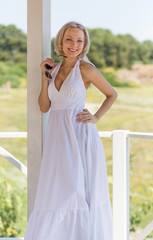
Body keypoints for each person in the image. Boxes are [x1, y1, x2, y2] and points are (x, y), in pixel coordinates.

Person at [24, 21, 117, 240]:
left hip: (80, 136)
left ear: (84, 45)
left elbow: (111, 94)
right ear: (61, 41)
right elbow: (44, 107)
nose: (73, 45)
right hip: (58, 139)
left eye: (79, 41)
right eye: (69, 39)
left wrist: (95, 117)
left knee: (77, 191)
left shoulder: (86, 69)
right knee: (57, 192)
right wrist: (44, 76)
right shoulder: (53, 68)